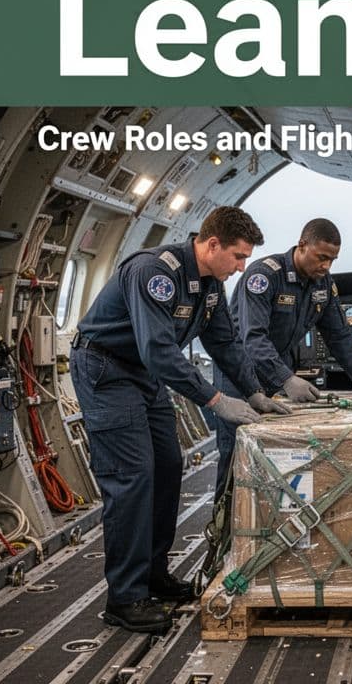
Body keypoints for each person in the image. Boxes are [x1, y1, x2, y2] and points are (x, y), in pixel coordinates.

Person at [71, 206, 290, 634]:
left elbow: (225, 343)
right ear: (212, 245)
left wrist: (256, 393)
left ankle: (154, 575)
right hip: (106, 370)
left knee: (168, 468)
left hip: (143, 376)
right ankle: (125, 597)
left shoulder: (210, 286)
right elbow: (158, 349)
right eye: (239, 256)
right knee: (133, 478)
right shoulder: (155, 273)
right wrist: (213, 399)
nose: (243, 266)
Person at [208, 218, 352, 503]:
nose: (326, 266)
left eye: (332, 260)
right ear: (302, 245)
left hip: (276, 373)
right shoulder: (264, 277)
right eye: (321, 257)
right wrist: (286, 379)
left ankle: (268, 521)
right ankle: (224, 534)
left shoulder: (323, 284)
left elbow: (339, 333)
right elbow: (252, 337)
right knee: (236, 456)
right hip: (239, 376)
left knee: (277, 453)